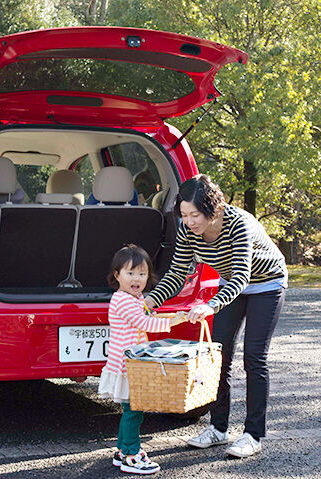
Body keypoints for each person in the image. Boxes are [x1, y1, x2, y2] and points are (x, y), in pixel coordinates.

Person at [145, 174, 287, 458]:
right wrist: (151, 300)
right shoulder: (187, 230)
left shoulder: (239, 224)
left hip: (266, 284)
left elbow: (241, 276)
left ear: (214, 209)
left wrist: (211, 305)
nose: (189, 222)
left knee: (254, 357)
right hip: (230, 285)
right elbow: (177, 274)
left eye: (195, 215)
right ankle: (218, 429)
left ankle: (253, 435)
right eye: (184, 215)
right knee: (218, 355)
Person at [98, 244, 185, 474]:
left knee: (131, 410)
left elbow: (144, 315)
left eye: (142, 274)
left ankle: (122, 451)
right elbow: (143, 322)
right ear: (117, 275)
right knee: (134, 412)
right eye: (130, 273)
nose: (136, 279)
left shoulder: (134, 298)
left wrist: (156, 313)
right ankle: (131, 455)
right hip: (127, 366)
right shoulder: (123, 300)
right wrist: (174, 321)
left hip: (130, 363)